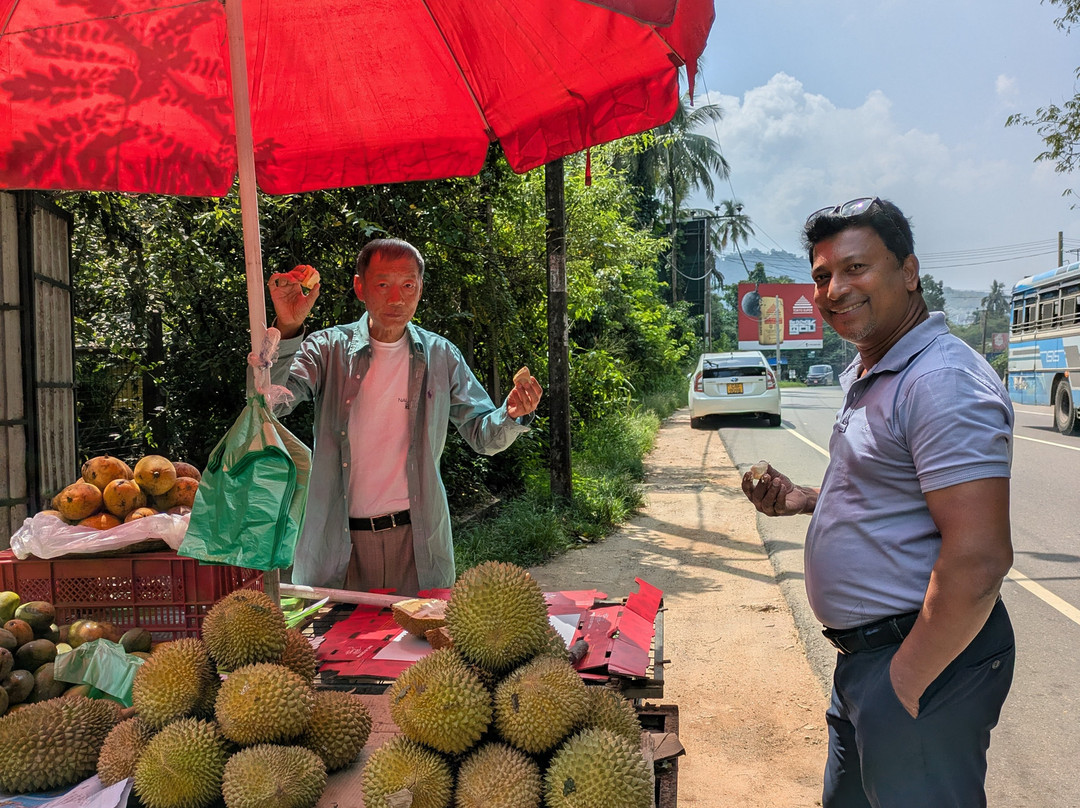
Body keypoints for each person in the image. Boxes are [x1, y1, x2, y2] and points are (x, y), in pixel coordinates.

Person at [741, 198, 1015, 807]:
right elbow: (891, 494)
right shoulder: (877, 371)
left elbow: (979, 558)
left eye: (856, 268)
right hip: (866, 664)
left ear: (909, 273)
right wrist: (804, 499)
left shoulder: (937, 380)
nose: (834, 289)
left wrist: (905, 682)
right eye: (821, 276)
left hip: (923, 660)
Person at [265, 237, 542, 595]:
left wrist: (510, 414)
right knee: (331, 649)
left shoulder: (441, 355)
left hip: (417, 544)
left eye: (407, 285)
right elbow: (270, 402)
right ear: (360, 287)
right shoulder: (327, 348)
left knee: (419, 649)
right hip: (334, 543)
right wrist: (286, 330)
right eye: (383, 285)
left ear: (420, 289)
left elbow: (483, 435)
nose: (396, 298)